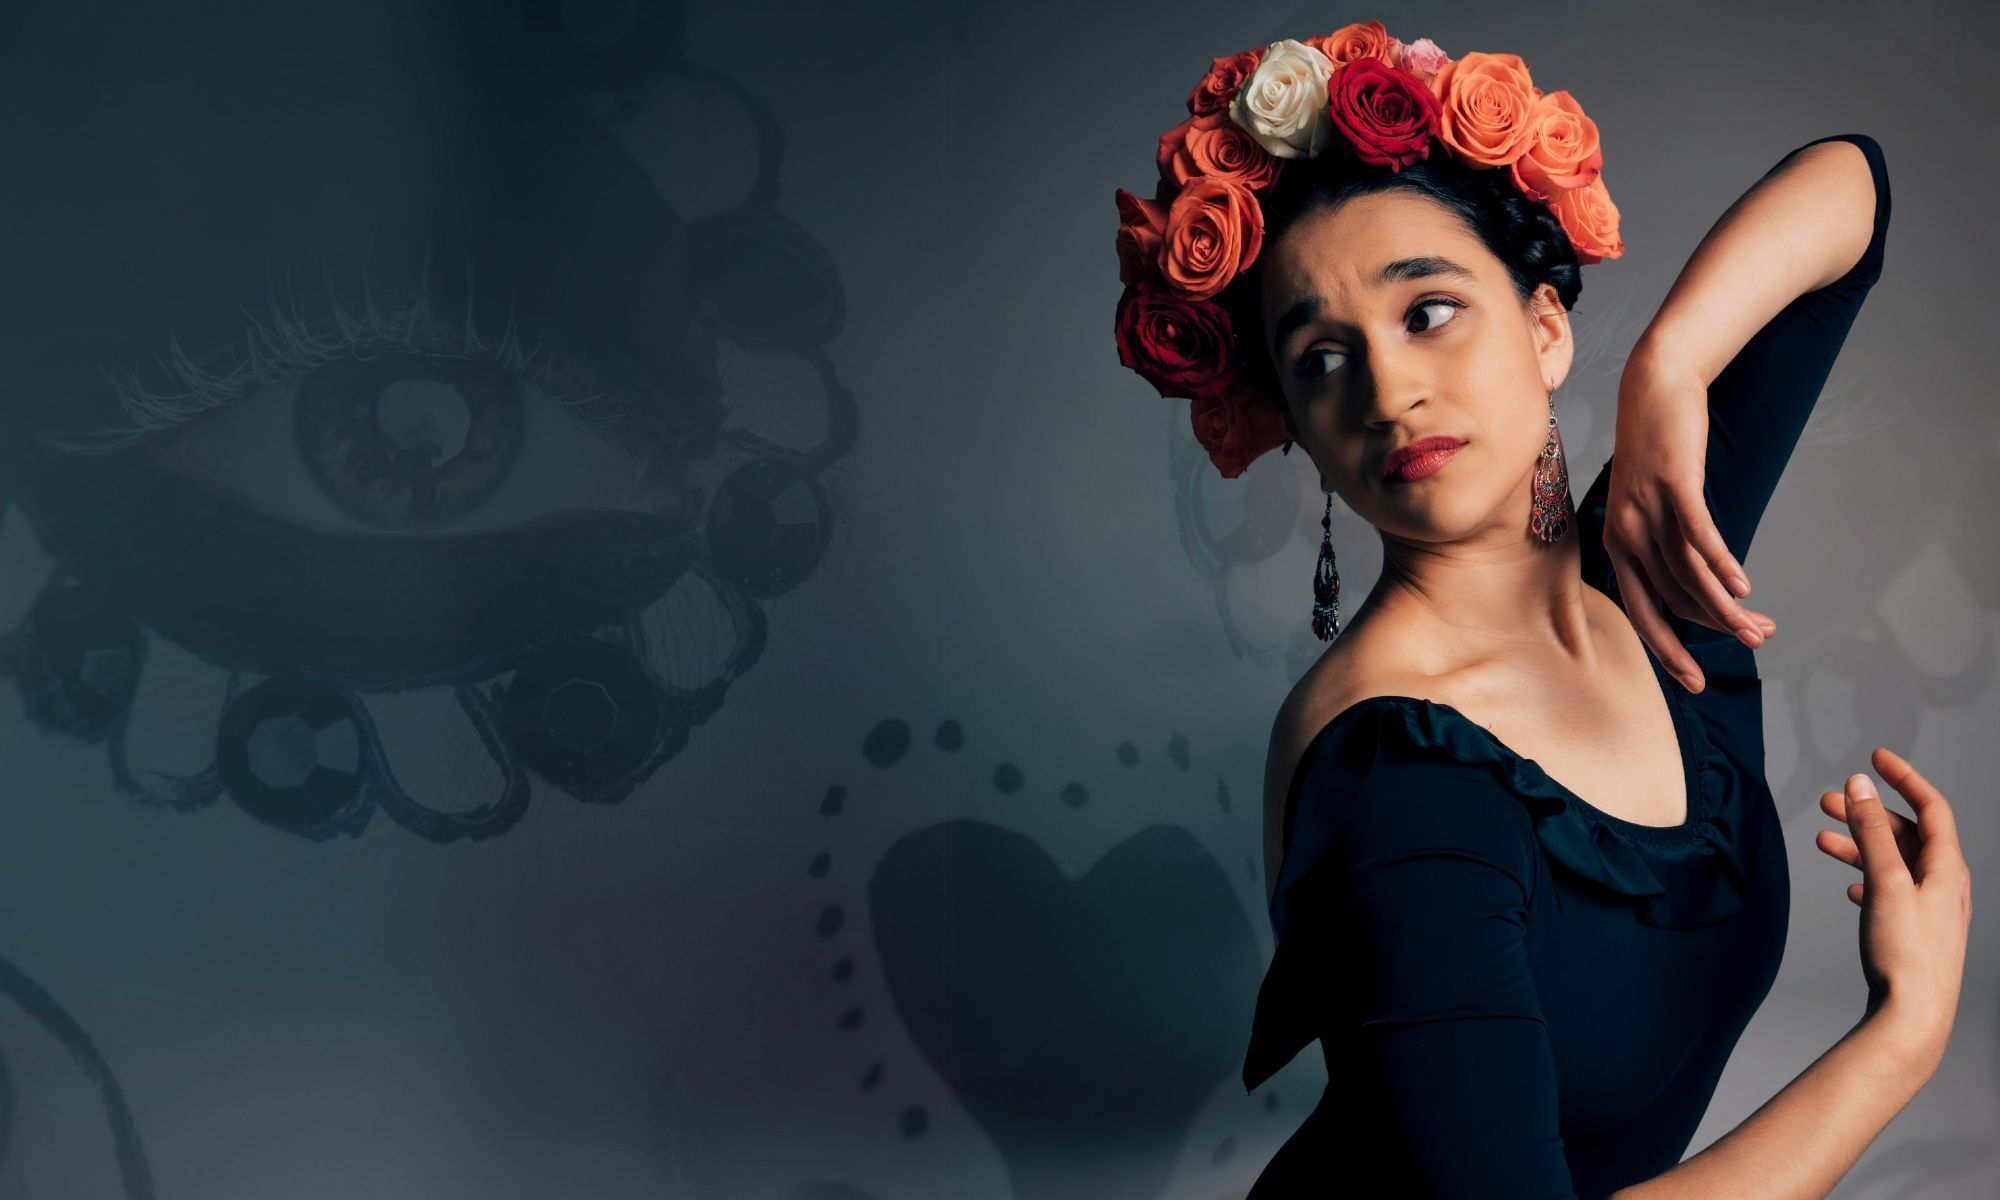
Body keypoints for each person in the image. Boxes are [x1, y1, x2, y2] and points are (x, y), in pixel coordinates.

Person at [1111, 24, 1971, 1198]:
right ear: (1300, 435)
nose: (1388, 390)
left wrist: (1666, 362)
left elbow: (1850, 190)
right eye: (1319, 359)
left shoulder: (1652, 564)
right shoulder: (1398, 776)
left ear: (1545, 326)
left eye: (1427, 312)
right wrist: (1901, 1041)